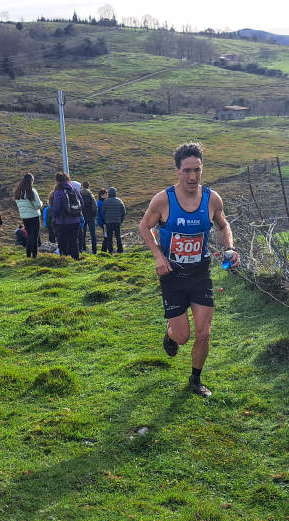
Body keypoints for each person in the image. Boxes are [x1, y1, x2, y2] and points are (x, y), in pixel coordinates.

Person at [139, 142, 238, 398]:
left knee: (204, 332)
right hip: (172, 274)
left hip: (199, 274)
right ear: (177, 171)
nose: (192, 177)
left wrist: (229, 248)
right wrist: (158, 256)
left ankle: (195, 379)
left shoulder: (212, 199)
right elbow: (144, 227)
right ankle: (171, 334)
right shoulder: (163, 200)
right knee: (183, 337)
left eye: (197, 170)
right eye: (186, 171)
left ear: (202, 169)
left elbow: (223, 225)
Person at [51, 172, 82, 259]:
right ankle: (76, 259)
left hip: (63, 221)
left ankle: (64, 259)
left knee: (62, 242)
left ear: (57, 181)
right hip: (76, 221)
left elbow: (56, 207)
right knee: (74, 241)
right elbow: (82, 203)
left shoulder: (58, 192)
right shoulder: (74, 190)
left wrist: (55, 216)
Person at [13, 173, 43, 258]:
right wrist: (41, 203)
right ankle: (34, 255)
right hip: (34, 216)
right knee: (35, 236)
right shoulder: (31, 191)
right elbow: (37, 205)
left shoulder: (18, 192)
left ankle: (28, 255)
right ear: (31, 181)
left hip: (25, 218)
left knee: (29, 236)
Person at [102, 186, 126, 253]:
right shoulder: (119, 201)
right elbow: (124, 212)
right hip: (117, 221)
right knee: (118, 236)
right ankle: (120, 250)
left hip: (108, 222)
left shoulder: (106, 201)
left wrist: (106, 219)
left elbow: (103, 211)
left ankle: (110, 250)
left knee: (109, 237)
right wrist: (121, 220)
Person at [79, 181, 99, 254]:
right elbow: (94, 206)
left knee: (82, 233)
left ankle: (83, 248)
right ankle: (94, 249)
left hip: (82, 216)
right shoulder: (91, 195)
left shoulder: (79, 194)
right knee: (93, 233)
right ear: (88, 186)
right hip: (90, 216)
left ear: (82, 186)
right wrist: (94, 215)